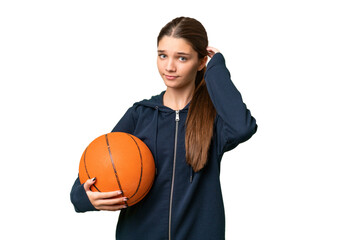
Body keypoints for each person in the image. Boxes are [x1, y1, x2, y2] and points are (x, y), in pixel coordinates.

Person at [70, 16, 258, 240]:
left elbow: (243, 127)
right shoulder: (140, 115)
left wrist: (216, 69)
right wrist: (84, 198)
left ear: (200, 62)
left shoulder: (213, 118)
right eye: (162, 55)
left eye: (182, 57)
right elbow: (87, 177)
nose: (169, 66)